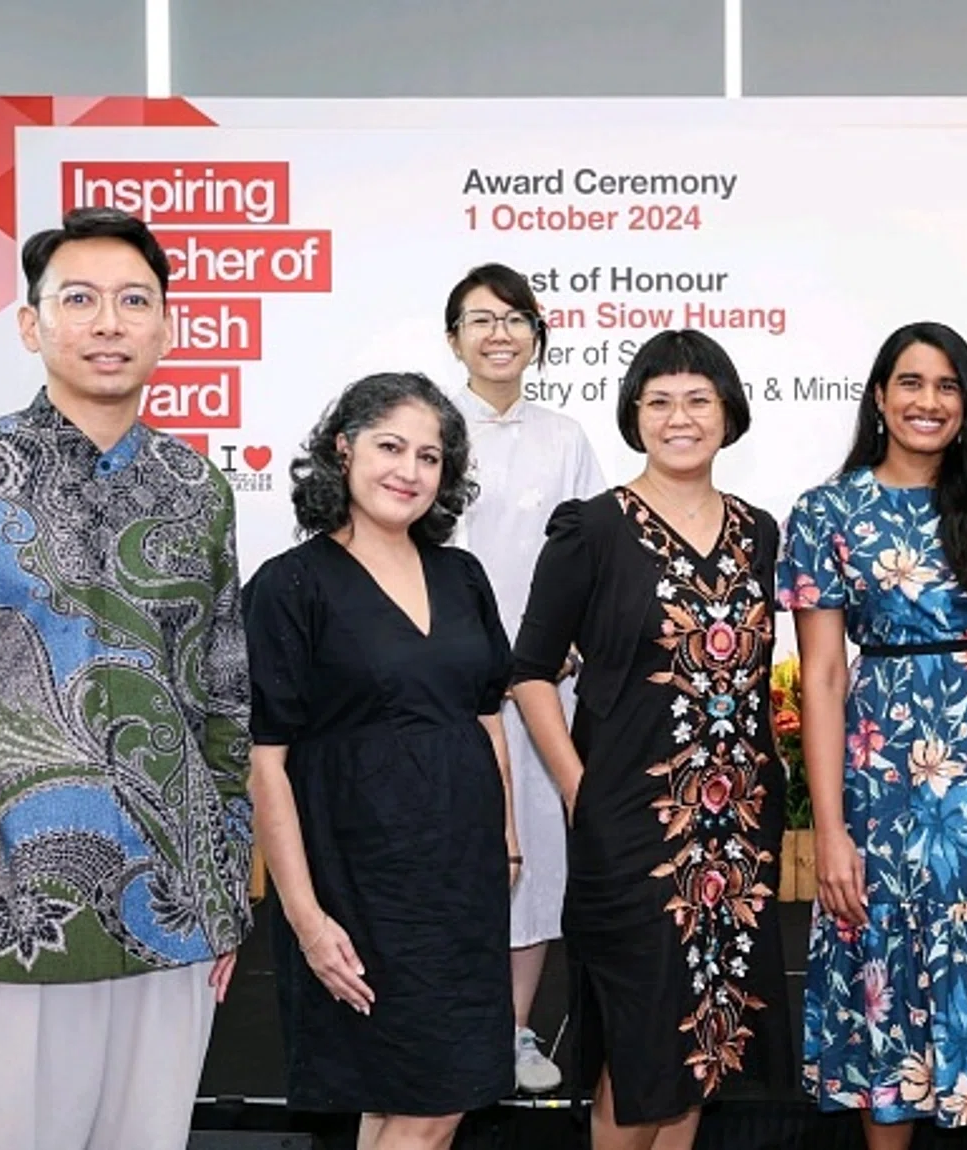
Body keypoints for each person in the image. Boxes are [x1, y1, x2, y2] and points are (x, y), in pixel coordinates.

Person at [0, 206, 251, 1150]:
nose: (108, 322)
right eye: (80, 299)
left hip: (175, 910)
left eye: (133, 301)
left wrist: (226, 886)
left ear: (166, 325)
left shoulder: (197, 489)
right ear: (33, 325)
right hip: (7, 914)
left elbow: (223, 702)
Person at [779, 321, 967, 1150]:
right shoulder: (828, 511)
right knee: (889, 973)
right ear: (879, 396)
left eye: (947, 387)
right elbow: (826, 679)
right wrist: (830, 831)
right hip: (889, 782)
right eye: (910, 383)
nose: (927, 402)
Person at [512, 329, 790, 1150]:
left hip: (736, 827)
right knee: (636, 1052)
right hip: (628, 822)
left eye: (698, 400)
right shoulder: (592, 528)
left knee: (702, 1043)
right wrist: (577, 786)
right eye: (659, 401)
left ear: (728, 413)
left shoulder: (759, 530)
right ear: (634, 415)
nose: (680, 418)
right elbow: (530, 671)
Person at [244, 372, 518, 1149]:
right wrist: (305, 918)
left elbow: (485, 715)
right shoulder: (289, 587)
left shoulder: (461, 575)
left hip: (460, 882)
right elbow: (268, 765)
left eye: (429, 457)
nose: (410, 471)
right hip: (359, 884)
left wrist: (504, 842)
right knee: (424, 1107)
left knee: (410, 1103)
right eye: (390, 447)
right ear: (343, 449)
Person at [443, 262, 606, 1092]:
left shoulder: (566, 436)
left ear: (537, 337)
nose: (499, 333)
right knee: (457, 851)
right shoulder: (430, 429)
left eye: (514, 319)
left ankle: (512, 1033)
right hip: (447, 685)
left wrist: (563, 645)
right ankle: (453, 1026)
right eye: (481, 320)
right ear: (454, 339)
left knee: (538, 858)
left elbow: (588, 556)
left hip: (541, 685)